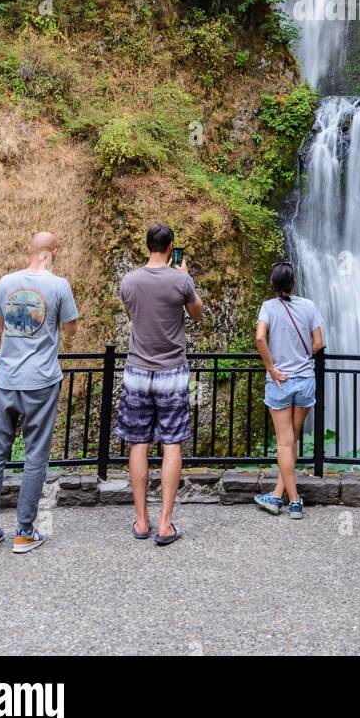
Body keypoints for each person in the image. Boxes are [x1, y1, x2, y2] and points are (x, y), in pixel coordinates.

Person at [0, 232, 78, 554]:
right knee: (35, 456)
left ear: (29, 250)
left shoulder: (6, 282)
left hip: (6, 378)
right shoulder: (59, 286)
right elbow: (71, 329)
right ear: (52, 252)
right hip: (41, 380)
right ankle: (24, 532)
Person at [117, 223, 203, 547]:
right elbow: (197, 313)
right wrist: (184, 277)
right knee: (171, 444)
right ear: (171, 247)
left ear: (147, 246)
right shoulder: (181, 280)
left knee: (138, 443)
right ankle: (165, 525)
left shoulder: (129, 281)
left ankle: (141, 521)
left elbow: (132, 314)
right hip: (172, 373)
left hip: (137, 371)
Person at [254, 262, 323, 520]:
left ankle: (293, 502)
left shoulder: (268, 307)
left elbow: (260, 338)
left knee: (284, 442)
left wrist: (271, 367)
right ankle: (276, 494)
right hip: (305, 379)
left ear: (273, 284)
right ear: (294, 282)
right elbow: (319, 343)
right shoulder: (309, 306)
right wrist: (302, 356)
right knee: (291, 439)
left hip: (280, 382)